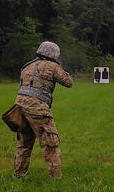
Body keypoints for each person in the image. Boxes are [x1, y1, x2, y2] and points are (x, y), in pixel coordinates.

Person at [14, 41, 73, 180]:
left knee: (25, 144)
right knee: (51, 143)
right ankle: (56, 178)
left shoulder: (27, 66)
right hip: (37, 107)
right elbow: (69, 82)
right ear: (54, 55)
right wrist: (61, 67)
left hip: (20, 107)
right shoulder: (52, 66)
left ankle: (18, 176)